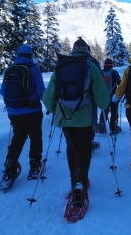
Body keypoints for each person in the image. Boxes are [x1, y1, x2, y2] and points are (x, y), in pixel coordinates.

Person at [42, 38, 110, 207]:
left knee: (71, 148)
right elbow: (102, 98)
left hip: (64, 117)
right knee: (84, 150)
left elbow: (48, 95)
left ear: (73, 51)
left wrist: (53, 109)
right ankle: (80, 185)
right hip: (85, 118)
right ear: (87, 51)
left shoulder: (61, 66)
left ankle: (75, 182)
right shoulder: (91, 67)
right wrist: (104, 105)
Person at [0, 44, 46, 181]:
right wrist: (50, 104)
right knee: (35, 136)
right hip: (32, 110)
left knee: (19, 136)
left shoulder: (9, 69)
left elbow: (3, 91)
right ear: (30, 56)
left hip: (13, 111)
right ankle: (35, 164)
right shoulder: (34, 69)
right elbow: (40, 91)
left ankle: (10, 163)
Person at [102, 58, 122, 135]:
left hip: (104, 96)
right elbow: (120, 83)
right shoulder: (114, 72)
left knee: (105, 111)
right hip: (113, 95)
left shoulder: (101, 72)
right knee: (114, 111)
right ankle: (113, 128)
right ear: (111, 65)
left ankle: (101, 127)